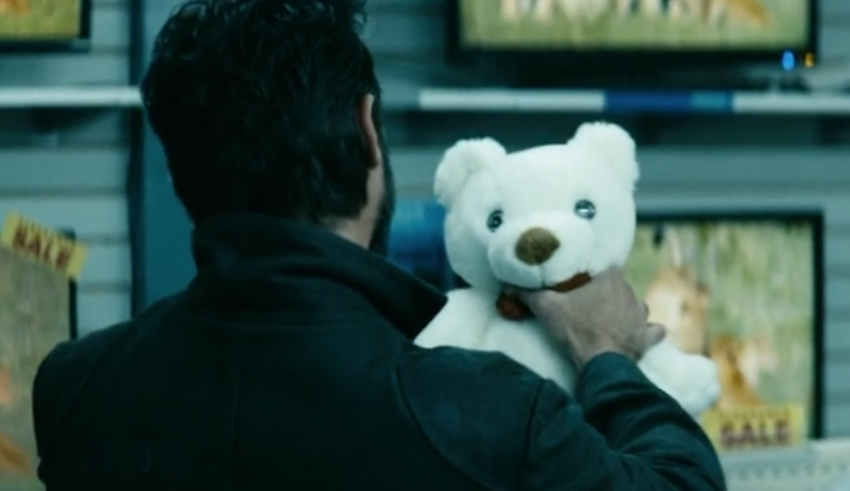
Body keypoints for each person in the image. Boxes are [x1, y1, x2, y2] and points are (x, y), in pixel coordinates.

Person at [31, 1, 726, 489]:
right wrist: (606, 353)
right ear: (368, 130)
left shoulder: (78, 391)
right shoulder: (491, 412)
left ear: (181, 164)